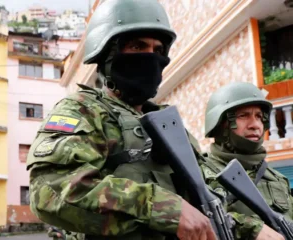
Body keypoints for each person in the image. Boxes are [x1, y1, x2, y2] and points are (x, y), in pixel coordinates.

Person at [27, 0, 283, 239]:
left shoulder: (171, 127)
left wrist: (252, 229)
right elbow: (51, 191)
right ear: (108, 54)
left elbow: (208, 205)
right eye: (138, 46)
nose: (150, 57)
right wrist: (165, 208)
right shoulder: (83, 110)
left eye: (158, 50)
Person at [201, 82, 293, 222]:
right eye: (243, 116)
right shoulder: (199, 172)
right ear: (220, 124)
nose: (255, 125)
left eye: (258, 116)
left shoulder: (278, 179)